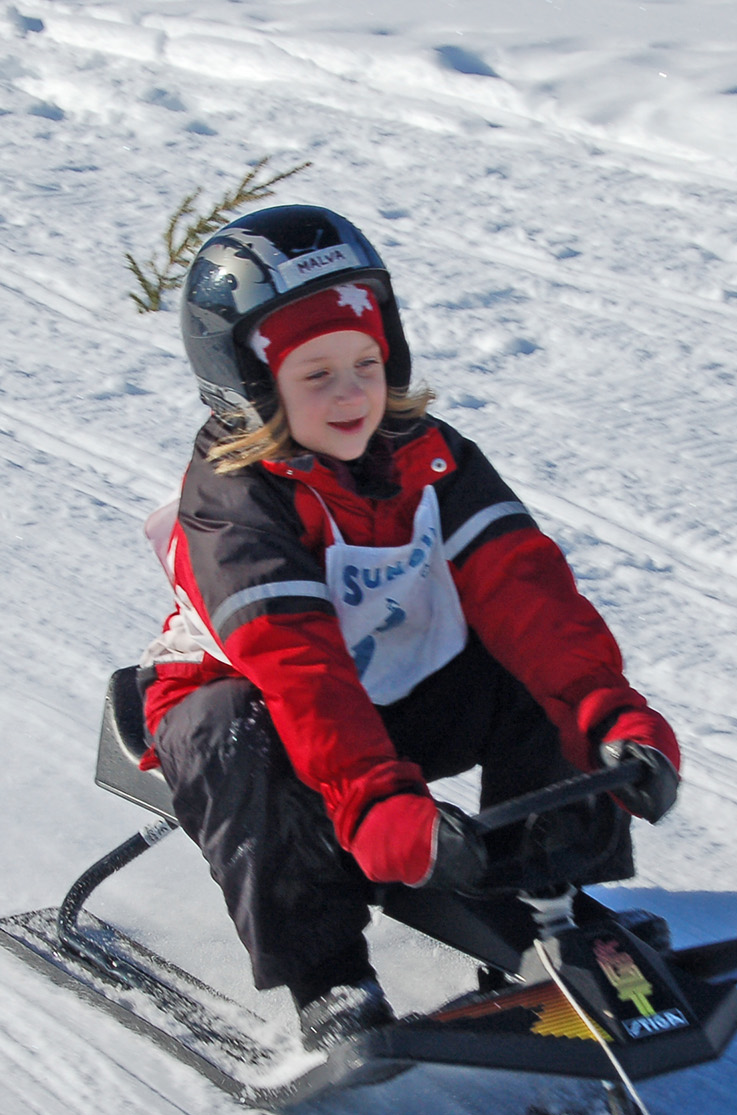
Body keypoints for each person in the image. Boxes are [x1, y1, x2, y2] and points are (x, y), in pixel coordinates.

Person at [136, 205, 680, 1051]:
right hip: (275, 715)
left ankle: (547, 902)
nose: (353, 391)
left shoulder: (432, 456)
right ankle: (328, 975)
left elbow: (529, 594)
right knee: (228, 731)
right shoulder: (234, 503)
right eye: (316, 375)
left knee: (532, 673)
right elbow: (301, 667)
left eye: (366, 361)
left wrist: (611, 719)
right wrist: (374, 803)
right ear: (250, 389)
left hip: (392, 685)